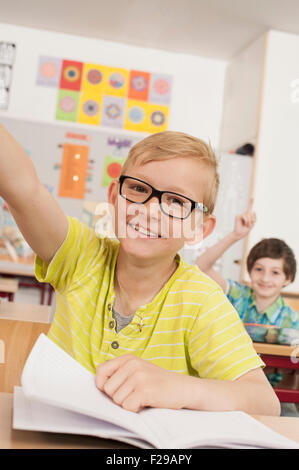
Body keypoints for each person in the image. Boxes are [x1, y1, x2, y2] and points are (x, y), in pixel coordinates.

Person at [0, 124, 279, 415]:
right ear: (113, 197)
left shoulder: (201, 301)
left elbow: (265, 403)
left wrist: (179, 387)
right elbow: (23, 187)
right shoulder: (80, 256)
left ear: (199, 229)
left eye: (175, 201)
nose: (150, 209)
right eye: (138, 188)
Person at [195, 199, 299, 398]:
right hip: (225, 389)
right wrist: (236, 235)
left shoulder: (293, 322)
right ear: (250, 271)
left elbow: (292, 373)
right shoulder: (236, 294)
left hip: (268, 395)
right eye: (259, 269)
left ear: (288, 278)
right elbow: (200, 269)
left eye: (275, 273)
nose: (265, 278)